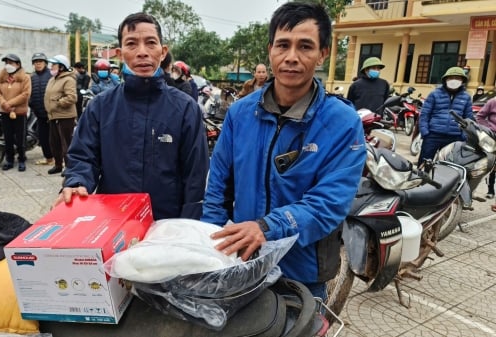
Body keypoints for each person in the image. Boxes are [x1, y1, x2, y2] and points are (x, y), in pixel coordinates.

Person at [200, 1, 366, 300]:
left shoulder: (343, 123)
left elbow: (329, 203)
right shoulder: (240, 114)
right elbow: (218, 186)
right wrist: (209, 245)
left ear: (322, 54)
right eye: (283, 45)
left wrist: (267, 227)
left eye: (305, 46)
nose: (291, 57)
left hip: (303, 272)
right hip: (243, 261)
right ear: (270, 50)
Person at [54, 12, 209, 221]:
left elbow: (195, 176)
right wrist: (76, 182)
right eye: (132, 44)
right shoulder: (100, 107)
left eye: (151, 43)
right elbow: (83, 157)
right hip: (112, 220)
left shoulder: (185, 108)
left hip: (166, 224)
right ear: (120, 53)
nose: (142, 52)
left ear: (163, 52)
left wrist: (187, 224)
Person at [418, 66, 474, 168]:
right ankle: (419, 183)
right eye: (451, 77)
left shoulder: (466, 97)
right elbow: (424, 114)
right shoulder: (434, 94)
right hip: (433, 135)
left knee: (448, 167)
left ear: (462, 81)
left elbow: (469, 118)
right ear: (445, 79)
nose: (454, 80)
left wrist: (464, 136)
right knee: (424, 163)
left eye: (458, 78)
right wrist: (425, 132)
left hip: (455, 137)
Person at [0, 53, 31, 172]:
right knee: (8, 137)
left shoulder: (25, 77)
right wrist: (4, 103)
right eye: (6, 63)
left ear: (18, 64)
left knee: (20, 138)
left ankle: (21, 159)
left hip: (19, 112)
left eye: (11, 63)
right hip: (5, 112)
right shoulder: (1, 76)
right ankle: (9, 159)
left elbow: (26, 94)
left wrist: (10, 103)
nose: (8, 65)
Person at [43, 54, 77, 175]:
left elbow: (72, 97)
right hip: (53, 116)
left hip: (65, 116)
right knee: (54, 143)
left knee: (66, 143)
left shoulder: (68, 79)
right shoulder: (52, 79)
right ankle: (58, 165)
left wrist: (58, 103)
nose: (51, 67)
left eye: (54, 65)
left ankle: (69, 167)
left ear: (62, 67)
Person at [29, 52, 54, 166]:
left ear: (45, 63)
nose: (38, 64)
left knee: (55, 138)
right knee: (43, 137)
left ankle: (59, 159)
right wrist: (31, 104)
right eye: (36, 62)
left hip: (52, 113)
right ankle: (48, 158)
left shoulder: (52, 75)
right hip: (39, 113)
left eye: (40, 62)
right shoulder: (32, 77)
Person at [475, 97, 496, 201]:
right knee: (489, 164)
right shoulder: (493, 101)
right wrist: (488, 130)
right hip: (491, 138)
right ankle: (490, 189)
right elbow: (480, 117)